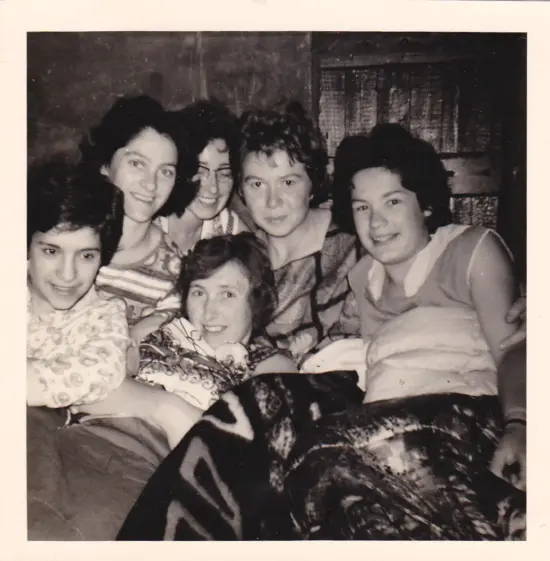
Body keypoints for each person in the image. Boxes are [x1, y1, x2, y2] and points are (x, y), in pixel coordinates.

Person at [237, 101, 364, 364]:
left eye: (288, 182)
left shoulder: (356, 247)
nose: (272, 201)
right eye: (257, 184)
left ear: (313, 183)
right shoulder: (240, 261)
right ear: (241, 188)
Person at [79, 94, 195, 347]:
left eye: (166, 171)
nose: (150, 184)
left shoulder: (174, 271)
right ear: (105, 164)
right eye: (137, 163)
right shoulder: (63, 240)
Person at [136, 232, 297, 410]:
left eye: (227, 295)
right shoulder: (160, 339)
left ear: (256, 302)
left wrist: (166, 407)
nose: (209, 312)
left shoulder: (270, 366)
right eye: (199, 293)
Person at [27, 159, 129, 409]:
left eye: (86, 256)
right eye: (51, 251)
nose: (67, 274)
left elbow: (100, 373)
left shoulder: (104, 317)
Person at [157, 100, 249, 255]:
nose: (213, 188)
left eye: (224, 173)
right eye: (200, 171)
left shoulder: (230, 230)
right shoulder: (149, 222)